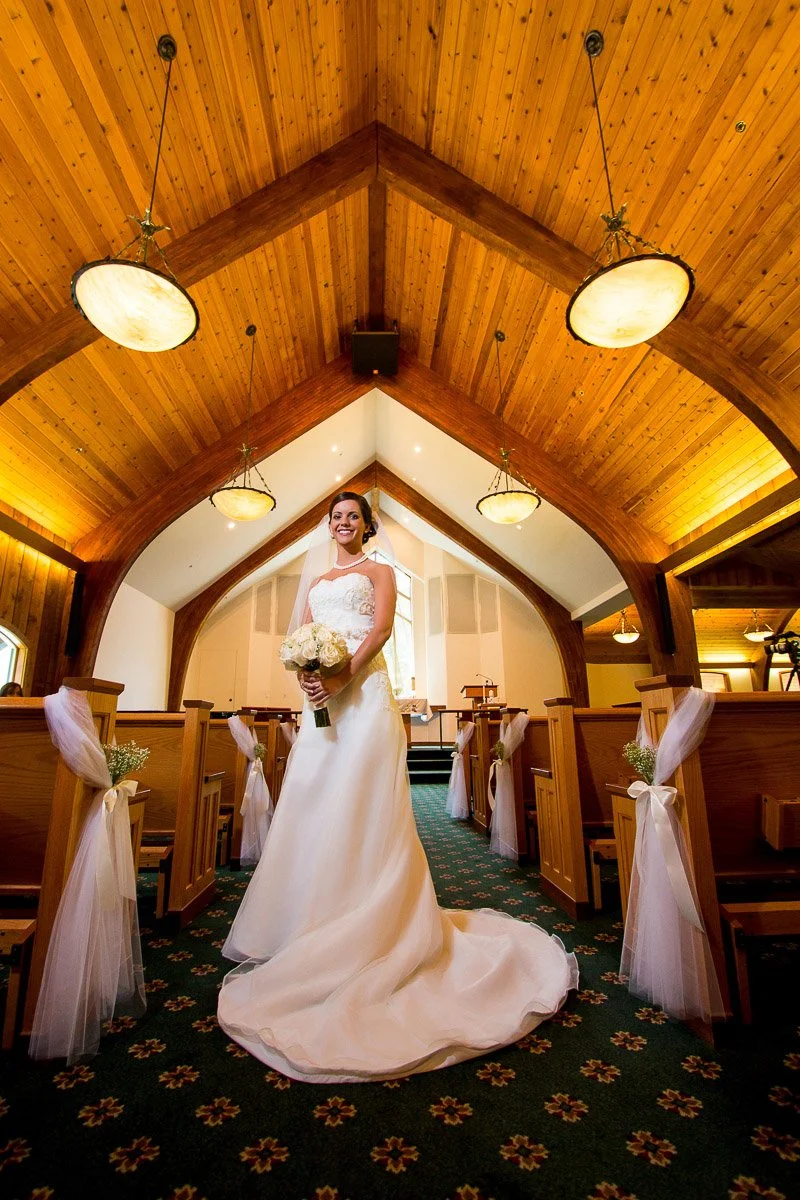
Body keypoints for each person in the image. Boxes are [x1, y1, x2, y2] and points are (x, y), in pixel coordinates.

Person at [217, 492, 578, 1083]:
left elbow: (382, 629)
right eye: (336, 515)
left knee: (364, 801)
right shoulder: (313, 583)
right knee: (313, 801)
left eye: (353, 515)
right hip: (320, 704)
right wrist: (310, 679)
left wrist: (340, 675)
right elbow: (301, 638)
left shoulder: (381, 571)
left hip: (365, 695)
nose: (343, 522)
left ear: (366, 525)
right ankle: (309, 920)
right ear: (327, 525)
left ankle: (377, 919)